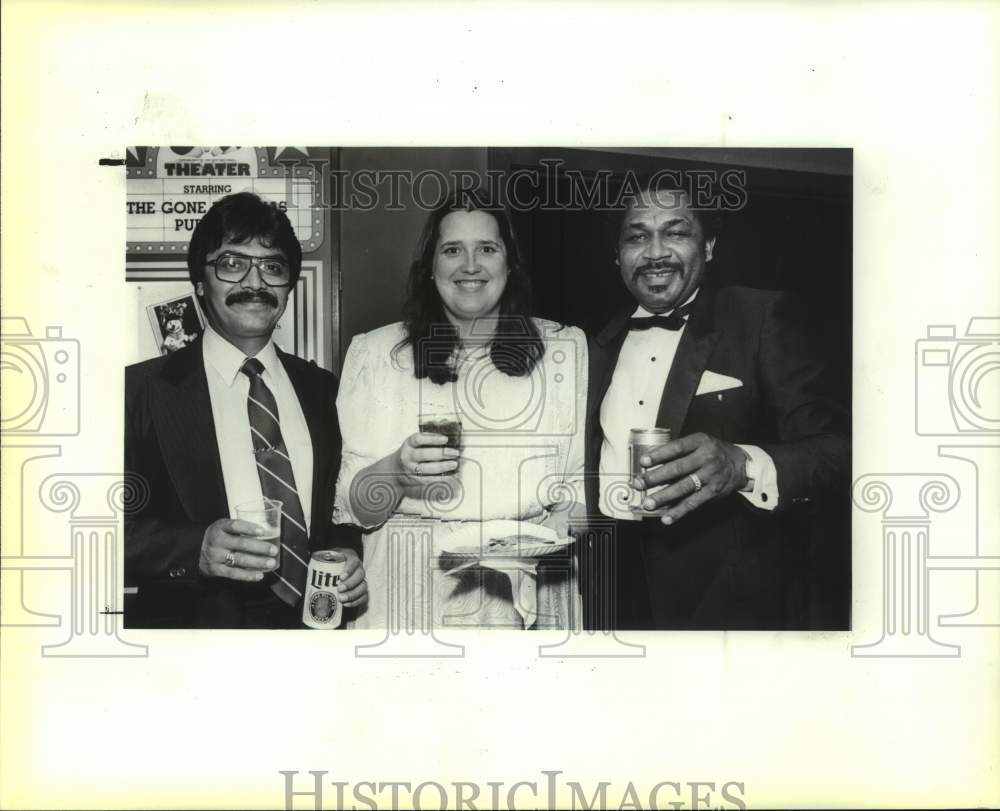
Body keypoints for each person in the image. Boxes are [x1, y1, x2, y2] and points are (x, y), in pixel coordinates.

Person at [584, 183, 850, 630]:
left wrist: (742, 463)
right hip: (613, 588)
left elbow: (838, 450)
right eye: (636, 236)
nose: (654, 253)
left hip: (726, 600)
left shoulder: (760, 316)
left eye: (676, 233)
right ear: (617, 254)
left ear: (708, 247)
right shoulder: (596, 342)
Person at [334, 190, 587, 629]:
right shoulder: (375, 354)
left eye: (487, 248)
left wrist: (555, 531)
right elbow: (354, 507)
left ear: (510, 264)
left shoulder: (563, 349)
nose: (470, 265)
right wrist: (395, 470)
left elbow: (584, 485)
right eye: (452, 250)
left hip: (528, 592)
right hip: (409, 592)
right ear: (430, 269)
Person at [125, 192, 367, 628]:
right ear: (199, 281)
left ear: (289, 287)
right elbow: (87, 531)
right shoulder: (137, 391)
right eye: (232, 264)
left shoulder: (325, 389)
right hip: (189, 646)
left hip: (311, 638)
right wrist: (193, 549)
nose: (254, 283)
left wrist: (348, 552)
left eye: (273, 267)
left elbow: (338, 510)